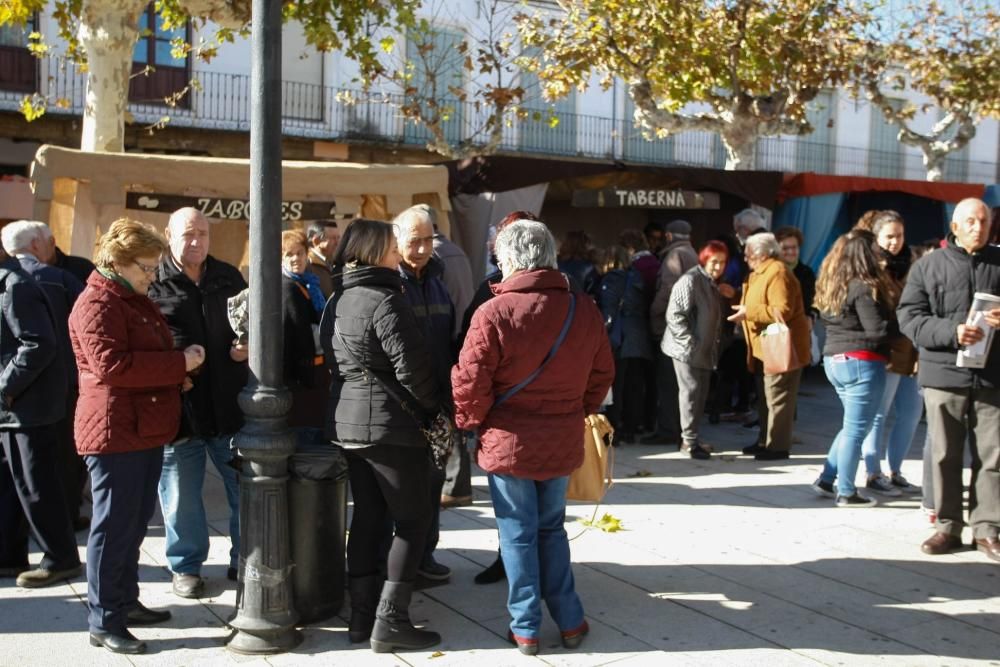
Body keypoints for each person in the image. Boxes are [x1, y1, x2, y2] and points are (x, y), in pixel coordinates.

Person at [452, 220, 614, 656]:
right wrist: (578, 409)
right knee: (552, 529)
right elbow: (602, 373)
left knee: (517, 534)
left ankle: (525, 627)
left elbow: (469, 381)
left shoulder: (494, 311)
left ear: (508, 260)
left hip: (508, 438)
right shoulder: (584, 308)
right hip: (561, 435)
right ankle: (570, 619)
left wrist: (470, 423)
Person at [69, 218, 205, 654]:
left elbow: (142, 356)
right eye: (146, 267)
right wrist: (178, 365)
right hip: (113, 430)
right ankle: (104, 618)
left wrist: (172, 377)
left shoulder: (128, 297)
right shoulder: (97, 303)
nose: (152, 275)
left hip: (139, 426)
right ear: (120, 262)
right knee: (112, 529)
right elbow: (113, 367)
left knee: (132, 525)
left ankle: (124, 602)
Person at [322, 218, 443, 651]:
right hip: (390, 427)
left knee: (369, 518)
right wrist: (433, 409)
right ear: (377, 251)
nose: (398, 251)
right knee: (413, 520)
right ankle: (391, 621)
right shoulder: (386, 300)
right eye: (393, 245)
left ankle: (360, 618)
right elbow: (413, 371)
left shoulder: (338, 297)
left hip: (348, 424)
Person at [147, 207, 247, 598]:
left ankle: (245, 560)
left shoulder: (228, 276)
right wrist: (172, 370)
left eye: (203, 234)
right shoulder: (154, 282)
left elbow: (251, 321)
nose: (196, 241)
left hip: (229, 406)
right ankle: (186, 567)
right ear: (169, 235)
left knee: (246, 488)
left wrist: (246, 347)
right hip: (181, 410)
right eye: (188, 234)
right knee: (180, 495)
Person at [897, 198, 1000, 562]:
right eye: (970, 221)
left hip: (993, 376)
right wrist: (952, 331)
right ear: (954, 227)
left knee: (993, 454)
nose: (978, 226)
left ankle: (988, 528)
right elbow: (909, 317)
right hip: (943, 373)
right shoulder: (928, 266)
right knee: (944, 454)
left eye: (984, 220)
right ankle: (948, 526)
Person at [458, 210, 540, 586]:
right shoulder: (492, 289)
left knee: (521, 509)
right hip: (518, 415)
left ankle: (525, 583)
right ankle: (528, 571)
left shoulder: (561, 289)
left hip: (514, 415)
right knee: (530, 509)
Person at [0, 245, 79, 590]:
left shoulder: (15, 285)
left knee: (37, 487)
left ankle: (61, 558)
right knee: (11, 485)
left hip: (28, 408)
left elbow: (39, 343)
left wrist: (5, 386)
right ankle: (9, 556)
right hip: (16, 407)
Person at [392, 205, 457, 581]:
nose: (420, 248)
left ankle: (425, 554)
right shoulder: (390, 282)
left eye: (427, 240)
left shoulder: (437, 279)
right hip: (403, 404)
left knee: (433, 482)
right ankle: (404, 561)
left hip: (438, 401)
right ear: (397, 240)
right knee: (405, 489)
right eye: (413, 240)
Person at [810, 230, 895, 507]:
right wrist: (899, 323)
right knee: (857, 429)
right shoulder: (861, 286)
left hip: (834, 361)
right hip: (862, 362)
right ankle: (846, 491)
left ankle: (827, 478)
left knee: (852, 426)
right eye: (875, 250)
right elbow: (877, 330)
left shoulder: (831, 283)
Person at [854, 211, 922, 497]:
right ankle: (873, 471)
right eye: (889, 236)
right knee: (878, 414)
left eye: (900, 235)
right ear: (878, 237)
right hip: (886, 347)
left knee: (911, 413)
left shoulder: (915, 262)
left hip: (913, 347)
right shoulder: (871, 266)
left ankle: (895, 470)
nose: (895, 242)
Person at [729, 233, 811, 461]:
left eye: (748, 254)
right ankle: (765, 440)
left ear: (763, 254)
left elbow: (781, 310)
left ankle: (777, 446)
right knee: (766, 398)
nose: (745, 259)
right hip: (764, 348)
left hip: (782, 348)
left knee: (778, 397)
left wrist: (748, 312)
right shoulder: (761, 273)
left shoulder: (778, 273)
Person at [662, 241, 729, 460]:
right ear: (704, 260)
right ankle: (688, 442)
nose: (718, 267)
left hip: (702, 350)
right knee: (690, 394)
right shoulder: (690, 280)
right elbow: (674, 315)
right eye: (714, 261)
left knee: (699, 395)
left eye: (722, 262)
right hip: (686, 351)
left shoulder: (710, 282)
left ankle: (692, 438)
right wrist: (690, 343)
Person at [429, 212, 475, 508]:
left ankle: (455, 484)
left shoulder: (435, 255)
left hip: (447, 339)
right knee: (454, 414)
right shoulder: (457, 250)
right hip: (461, 337)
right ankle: (459, 484)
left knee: (447, 415)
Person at [646, 220, 698, 445]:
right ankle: (680, 428)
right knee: (681, 383)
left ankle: (668, 430)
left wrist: (653, 316)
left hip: (671, 330)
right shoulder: (692, 254)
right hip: (688, 327)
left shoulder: (674, 257)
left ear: (668, 236)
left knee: (668, 382)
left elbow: (666, 292)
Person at [598, 245, 652, 442]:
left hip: (619, 337)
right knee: (635, 385)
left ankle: (615, 430)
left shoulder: (611, 279)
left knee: (617, 386)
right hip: (638, 335)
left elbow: (609, 309)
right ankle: (631, 427)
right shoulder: (637, 276)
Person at [281, 230, 328, 429]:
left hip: (315, 372)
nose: (296, 259)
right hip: (303, 377)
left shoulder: (309, 283)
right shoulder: (288, 288)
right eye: (289, 254)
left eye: (300, 253)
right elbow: (298, 337)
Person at [774, 227, 815, 315]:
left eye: (794, 247)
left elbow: (810, 303)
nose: (790, 252)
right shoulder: (771, 271)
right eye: (785, 248)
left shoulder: (807, 273)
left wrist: (811, 315)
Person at [305, 219, 340, 299]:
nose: (337, 243)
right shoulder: (307, 264)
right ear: (316, 241)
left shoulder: (334, 261)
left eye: (338, 238)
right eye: (333, 238)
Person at [557, 230, 598, 294]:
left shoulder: (554, 264)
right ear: (583, 245)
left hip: (555, 301)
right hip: (578, 302)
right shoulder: (589, 267)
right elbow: (593, 292)